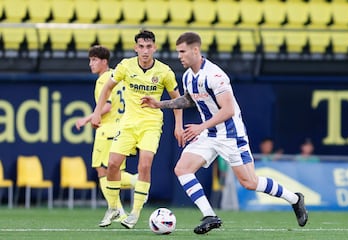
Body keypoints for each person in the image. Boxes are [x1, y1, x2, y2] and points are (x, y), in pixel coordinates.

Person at [141, 32, 308, 234]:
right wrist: (159, 104)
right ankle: (209, 215)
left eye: (183, 51)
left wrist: (200, 126)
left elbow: (228, 110)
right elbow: (189, 99)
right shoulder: (188, 76)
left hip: (230, 134)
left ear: (196, 50)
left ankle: (295, 199)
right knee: (182, 169)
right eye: (178, 52)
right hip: (209, 134)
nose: (180, 56)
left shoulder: (215, 75)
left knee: (249, 182)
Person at [90, 30, 184, 229]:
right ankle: (114, 207)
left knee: (145, 165)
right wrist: (97, 113)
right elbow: (107, 87)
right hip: (127, 124)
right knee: (113, 165)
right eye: (141, 47)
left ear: (154, 48)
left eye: (149, 47)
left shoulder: (164, 72)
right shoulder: (126, 66)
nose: (145, 51)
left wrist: (178, 125)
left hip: (151, 124)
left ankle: (135, 213)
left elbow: (177, 100)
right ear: (136, 48)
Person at [75, 45, 137, 227]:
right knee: (114, 171)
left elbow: (107, 105)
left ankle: (136, 182)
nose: (90, 64)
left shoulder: (104, 80)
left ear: (104, 62)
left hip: (107, 129)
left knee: (102, 171)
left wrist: (88, 118)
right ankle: (120, 211)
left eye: (94, 60)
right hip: (121, 129)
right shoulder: (120, 78)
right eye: (90, 60)